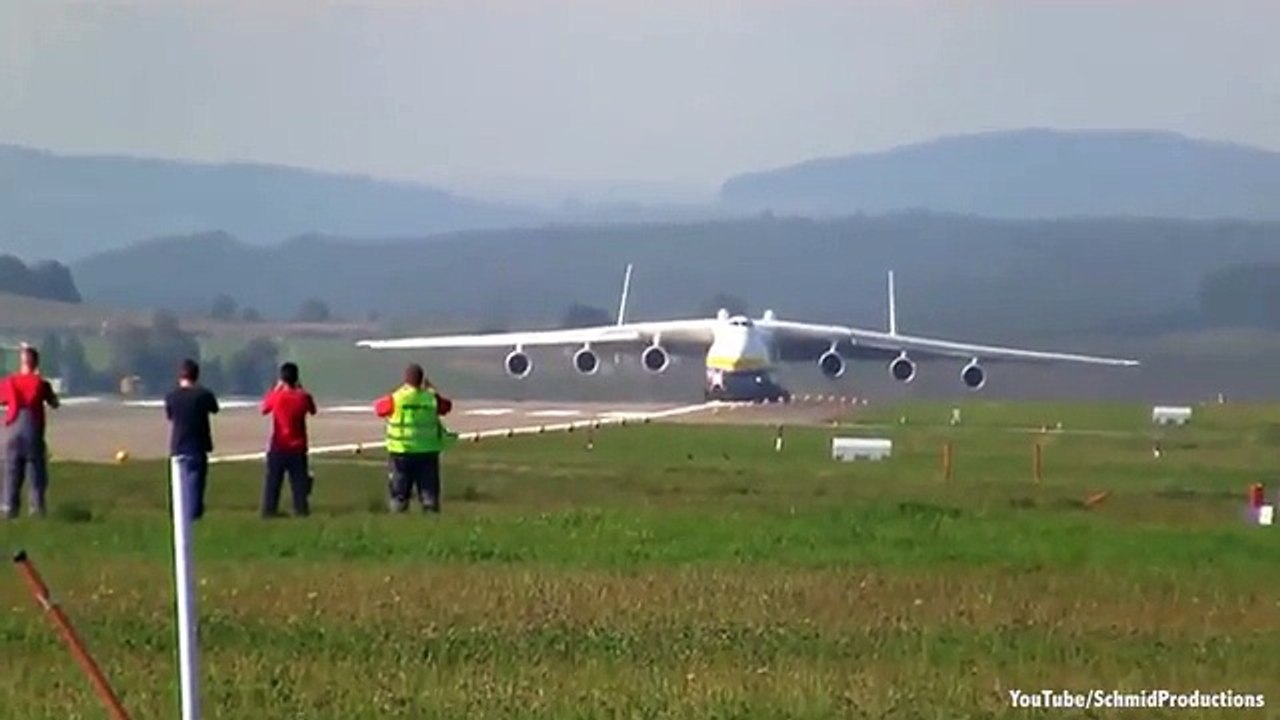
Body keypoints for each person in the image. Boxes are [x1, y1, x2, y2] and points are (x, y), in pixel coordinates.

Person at [375, 363, 455, 513]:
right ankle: (431, 518)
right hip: (427, 452)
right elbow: (446, 407)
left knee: (399, 493)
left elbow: (379, 409)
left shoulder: (397, 398)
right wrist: (433, 391)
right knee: (429, 493)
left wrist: (397, 392)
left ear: (406, 380)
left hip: (401, 452)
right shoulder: (430, 398)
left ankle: (399, 519)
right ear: (422, 380)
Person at [0, 346, 60, 518]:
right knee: (36, 472)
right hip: (32, 432)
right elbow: (54, 403)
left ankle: (8, 508)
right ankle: (36, 509)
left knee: (10, 472)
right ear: (36, 363)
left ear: (21, 362)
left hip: (11, 431)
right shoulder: (41, 384)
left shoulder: (9, 382)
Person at [260, 362, 317, 518]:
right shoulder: (303, 397)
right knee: (299, 483)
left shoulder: (277, 396)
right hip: (298, 446)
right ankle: (301, 510)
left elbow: (264, 409)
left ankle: (269, 510)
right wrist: (301, 389)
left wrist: (275, 389)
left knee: (273, 482)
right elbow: (313, 410)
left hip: (279, 445)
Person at [165, 358, 219, 520]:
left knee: (178, 479)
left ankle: (178, 509)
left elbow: (170, 416)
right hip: (198, 443)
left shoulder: (171, 396)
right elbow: (214, 408)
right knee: (196, 480)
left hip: (178, 442)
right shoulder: (204, 395)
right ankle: (193, 511)